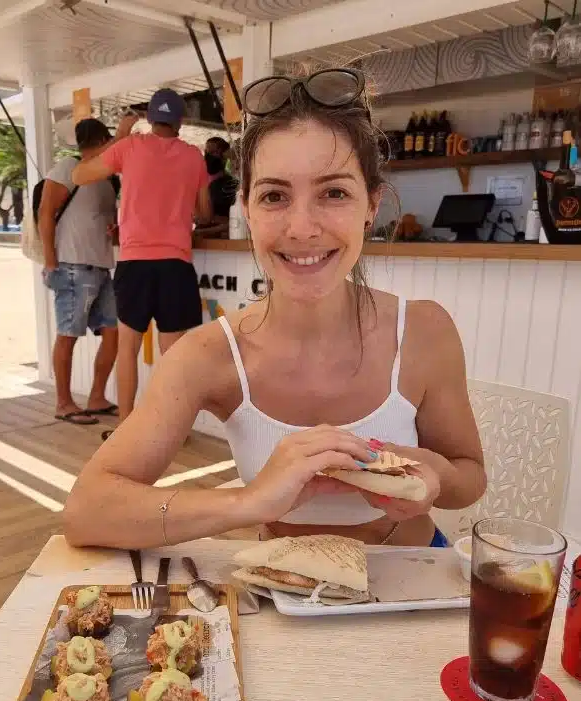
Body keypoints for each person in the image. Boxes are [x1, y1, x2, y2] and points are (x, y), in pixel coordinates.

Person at [64, 67, 486, 551]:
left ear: (370, 205)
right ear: (245, 206)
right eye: (275, 196)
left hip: (414, 586)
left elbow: (470, 477)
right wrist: (249, 502)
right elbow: (86, 510)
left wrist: (433, 475)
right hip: (280, 597)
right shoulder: (209, 355)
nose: (302, 227)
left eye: (333, 193)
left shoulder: (424, 331)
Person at [72, 89, 213, 424]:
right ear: (180, 122)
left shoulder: (129, 147)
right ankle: (172, 427)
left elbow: (79, 175)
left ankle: (126, 426)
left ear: (150, 118)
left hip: (134, 263)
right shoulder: (193, 156)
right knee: (173, 357)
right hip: (175, 263)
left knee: (128, 349)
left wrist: (120, 135)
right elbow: (205, 212)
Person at [39, 118, 119, 426]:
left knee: (113, 334)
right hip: (72, 264)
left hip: (101, 265)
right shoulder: (67, 168)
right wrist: (50, 259)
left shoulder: (105, 178)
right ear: (100, 140)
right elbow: (45, 213)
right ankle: (63, 402)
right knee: (68, 334)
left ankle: (96, 397)